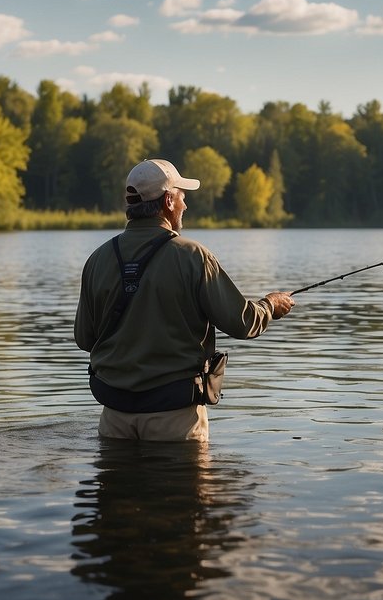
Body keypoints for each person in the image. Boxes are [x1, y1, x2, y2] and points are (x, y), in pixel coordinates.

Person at [74, 158, 295, 443]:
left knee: (117, 488)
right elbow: (243, 322)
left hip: (114, 418)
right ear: (168, 200)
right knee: (185, 488)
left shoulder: (97, 259)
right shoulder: (193, 256)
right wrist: (270, 305)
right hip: (175, 419)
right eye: (182, 196)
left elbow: (83, 339)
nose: (185, 205)